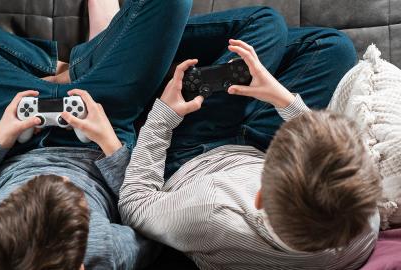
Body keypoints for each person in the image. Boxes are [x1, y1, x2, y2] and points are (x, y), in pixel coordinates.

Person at [0, 0, 193, 269]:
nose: (51, 176)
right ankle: (74, 67)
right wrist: (110, 143)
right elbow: (149, 223)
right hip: (99, 129)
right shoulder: (105, 253)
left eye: (17, 198)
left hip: (16, 132)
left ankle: (69, 67)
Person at [119, 9, 383, 270]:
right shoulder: (361, 220)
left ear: (259, 198)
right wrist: (280, 96)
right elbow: (322, 147)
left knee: (267, 24)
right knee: (333, 48)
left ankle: (114, 56)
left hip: (195, 156)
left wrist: (162, 117)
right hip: (261, 150)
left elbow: (135, 204)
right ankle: (217, 77)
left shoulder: (211, 213)